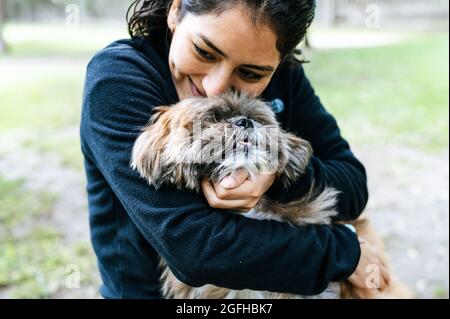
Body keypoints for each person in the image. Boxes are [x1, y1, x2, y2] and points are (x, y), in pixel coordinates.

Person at [80, 0, 390, 299]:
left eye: (251, 74)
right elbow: (195, 250)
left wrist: (279, 176)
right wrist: (342, 251)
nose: (215, 87)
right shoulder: (118, 78)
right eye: (204, 51)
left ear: (278, 64)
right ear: (176, 10)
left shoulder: (287, 78)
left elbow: (352, 184)